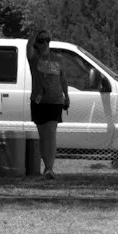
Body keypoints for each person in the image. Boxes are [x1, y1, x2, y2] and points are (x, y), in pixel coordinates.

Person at [26, 31, 68, 179]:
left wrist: (67, 95)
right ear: (36, 43)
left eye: (47, 40)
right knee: (43, 135)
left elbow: (63, 79)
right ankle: (46, 168)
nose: (44, 43)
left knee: (50, 132)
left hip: (55, 101)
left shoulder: (58, 58)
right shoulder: (34, 58)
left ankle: (50, 168)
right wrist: (34, 33)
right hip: (38, 101)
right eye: (41, 40)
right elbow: (28, 47)